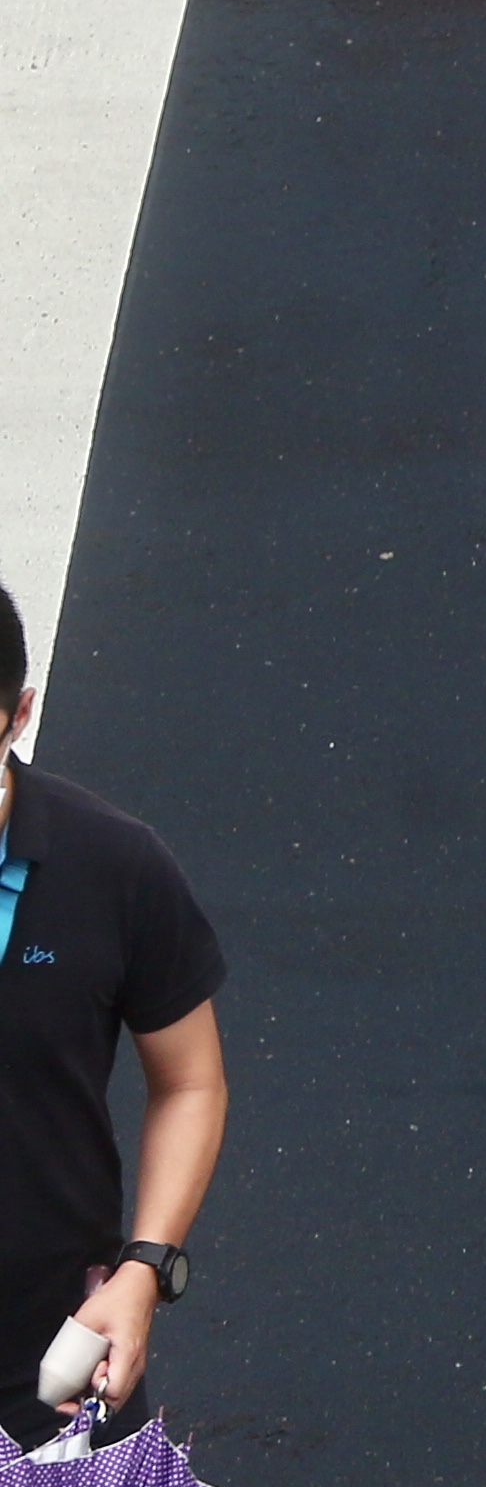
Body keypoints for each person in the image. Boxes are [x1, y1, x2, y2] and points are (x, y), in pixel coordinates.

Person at [0, 586, 224, 1441]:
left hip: (47, 1359)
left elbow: (191, 1082)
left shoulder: (117, 867)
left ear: (20, 714)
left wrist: (146, 1267)